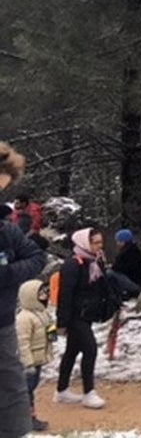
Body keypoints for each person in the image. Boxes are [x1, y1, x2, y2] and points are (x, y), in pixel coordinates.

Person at [0, 143, 49, 438]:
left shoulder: (6, 229)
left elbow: (36, 257)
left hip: (2, 324)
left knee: (13, 389)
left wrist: (6, 274)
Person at [54, 227, 113, 409]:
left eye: (100, 242)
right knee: (90, 349)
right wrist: (62, 322)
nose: (99, 246)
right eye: (95, 242)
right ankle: (89, 392)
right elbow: (66, 294)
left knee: (72, 351)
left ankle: (61, 390)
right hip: (75, 315)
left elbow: (100, 287)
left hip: (87, 314)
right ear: (84, 243)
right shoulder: (72, 264)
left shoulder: (95, 262)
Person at [15, 279, 54, 432]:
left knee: (31, 387)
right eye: (42, 293)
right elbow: (22, 342)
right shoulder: (24, 318)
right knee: (26, 390)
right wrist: (27, 362)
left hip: (39, 359)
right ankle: (27, 419)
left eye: (46, 292)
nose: (46, 295)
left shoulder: (44, 313)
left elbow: (49, 333)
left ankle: (27, 417)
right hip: (29, 362)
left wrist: (52, 334)